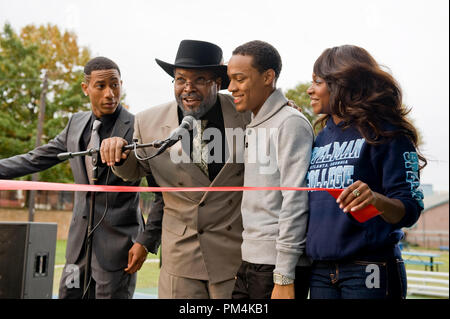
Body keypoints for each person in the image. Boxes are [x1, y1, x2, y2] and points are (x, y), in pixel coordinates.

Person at [100, 40, 250, 299]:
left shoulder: (248, 115)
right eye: (180, 79)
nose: (188, 88)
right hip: (180, 260)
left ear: (217, 82)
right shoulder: (147, 122)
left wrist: (283, 109)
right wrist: (119, 153)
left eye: (200, 79)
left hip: (234, 258)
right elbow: (135, 170)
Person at [0, 56, 157, 299]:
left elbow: (158, 190)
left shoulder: (137, 126)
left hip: (120, 250)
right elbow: (35, 159)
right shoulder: (75, 123)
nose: (109, 93)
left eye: (115, 85)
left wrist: (145, 241)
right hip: (76, 250)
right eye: (101, 86)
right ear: (85, 88)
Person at [305, 45, 426, 299]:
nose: (309, 89)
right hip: (320, 271)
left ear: (342, 84)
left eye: (317, 82)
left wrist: (375, 199)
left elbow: (410, 208)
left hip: (369, 269)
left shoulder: (388, 133)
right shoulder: (319, 137)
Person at [226, 40, 313, 299]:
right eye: (230, 79)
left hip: (278, 266)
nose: (231, 87)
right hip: (251, 262)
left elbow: (295, 199)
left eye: (239, 79)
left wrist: (284, 273)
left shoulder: (290, 123)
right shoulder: (255, 122)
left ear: (268, 77)